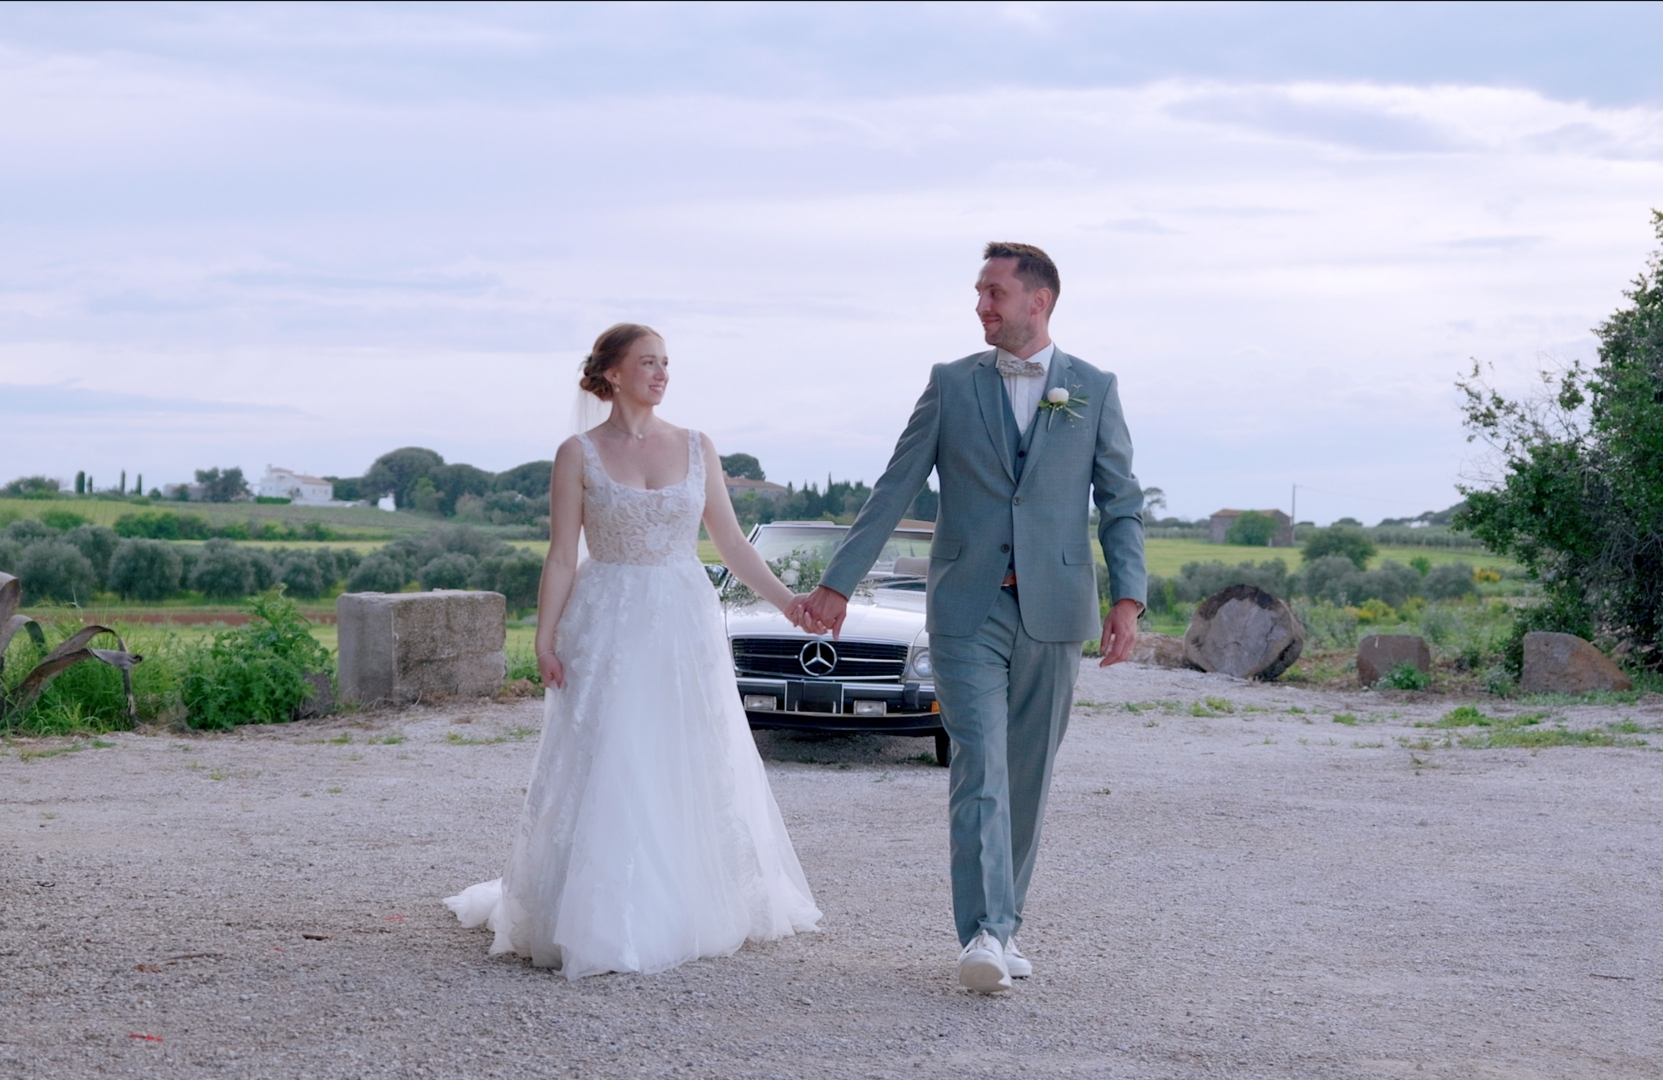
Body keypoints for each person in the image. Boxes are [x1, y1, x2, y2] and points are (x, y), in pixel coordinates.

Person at [792, 242, 1147, 993]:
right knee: (979, 761)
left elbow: (1120, 501)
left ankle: (1005, 921)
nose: (980, 305)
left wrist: (1128, 598)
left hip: (1054, 608)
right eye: (978, 292)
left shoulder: (1094, 388)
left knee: (1027, 772)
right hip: (965, 607)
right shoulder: (951, 384)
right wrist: (837, 584)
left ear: (1037, 301)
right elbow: (894, 486)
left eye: (993, 292)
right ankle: (983, 933)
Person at [445, 323, 822, 979]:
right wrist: (544, 637)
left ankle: (686, 901)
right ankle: (602, 915)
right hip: (606, 622)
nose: (662, 373)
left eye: (667, 363)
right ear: (612, 372)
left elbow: (730, 545)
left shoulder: (697, 445)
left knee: (682, 751)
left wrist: (789, 603)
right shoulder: (577, 454)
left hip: (682, 616)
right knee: (613, 753)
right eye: (648, 362)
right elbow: (563, 555)